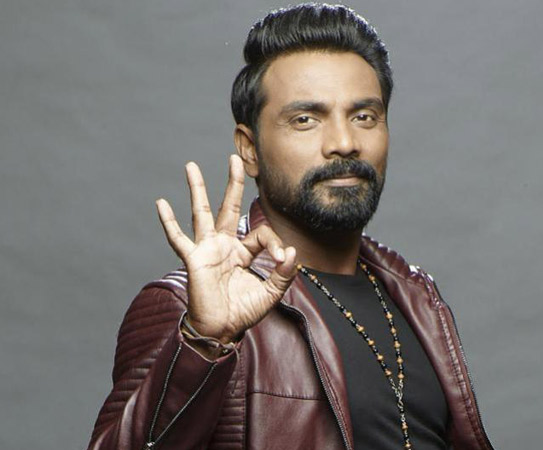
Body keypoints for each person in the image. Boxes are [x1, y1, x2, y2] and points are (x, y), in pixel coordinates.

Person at [88, 4, 494, 450]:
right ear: (250, 149)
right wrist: (204, 344)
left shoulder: (416, 296)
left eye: (364, 116)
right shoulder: (192, 307)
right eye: (305, 120)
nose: (344, 143)